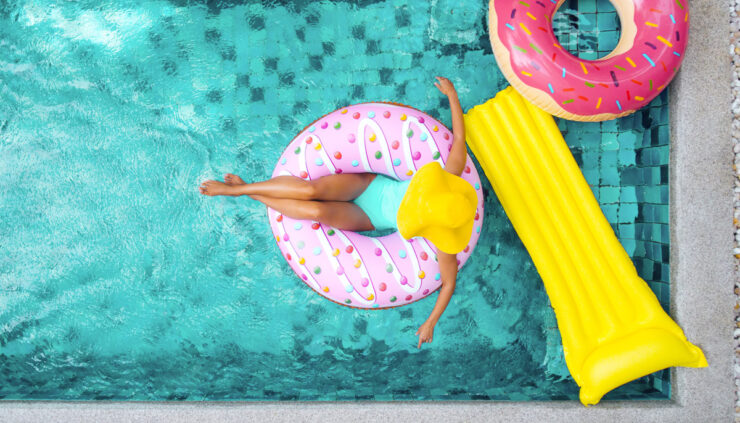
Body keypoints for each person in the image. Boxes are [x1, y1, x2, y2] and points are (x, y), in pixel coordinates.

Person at [200, 77, 476, 349]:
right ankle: (238, 190)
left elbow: (449, 283)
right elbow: (460, 137)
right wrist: (452, 94)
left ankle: (247, 191)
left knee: (316, 211)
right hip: (368, 186)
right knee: (309, 191)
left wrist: (431, 322)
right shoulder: (450, 176)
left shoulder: (445, 237)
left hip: (368, 219)